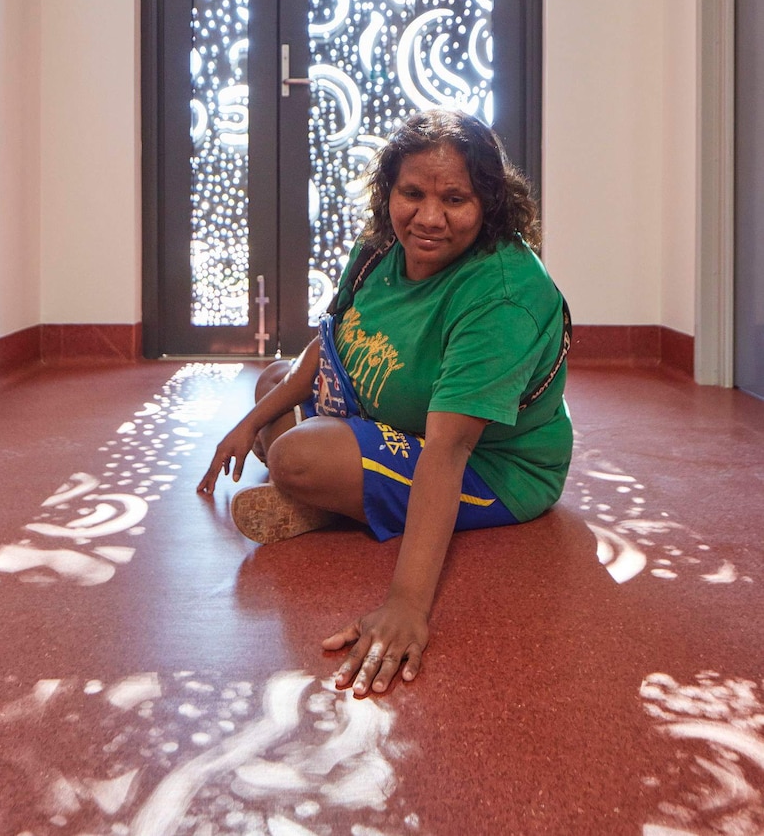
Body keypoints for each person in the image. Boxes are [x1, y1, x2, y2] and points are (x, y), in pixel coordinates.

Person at [197, 109, 573, 697]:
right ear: (388, 191)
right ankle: (345, 494)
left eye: (456, 199)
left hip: (493, 465)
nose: (429, 218)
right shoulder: (379, 249)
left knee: (296, 457)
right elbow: (330, 344)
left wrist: (405, 606)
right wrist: (247, 425)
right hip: (398, 419)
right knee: (274, 384)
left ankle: (326, 495)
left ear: (491, 204)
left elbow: (448, 451)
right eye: (412, 193)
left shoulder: (504, 297)